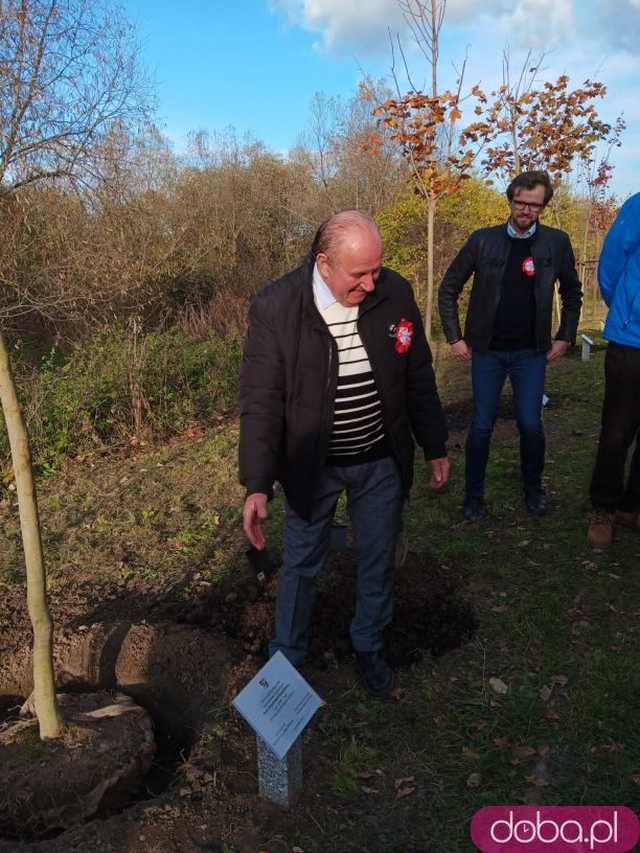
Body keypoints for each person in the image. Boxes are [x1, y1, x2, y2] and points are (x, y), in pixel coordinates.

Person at [239, 210, 449, 697]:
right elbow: (260, 401)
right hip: (313, 465)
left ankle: (368, 644)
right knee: (301, 560)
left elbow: (417, 373)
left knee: (377, 555)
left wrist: (434, 444)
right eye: (359, 275)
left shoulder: (394, 292)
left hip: (380, 459)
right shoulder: (279, 306)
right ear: (324, 263)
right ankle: (287, 656)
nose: (372, 284)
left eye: (377, 270)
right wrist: (256, 483)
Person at [438, 170, 582, 520]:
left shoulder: (556, 242)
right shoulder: (482, 240)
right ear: (510, 199)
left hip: (530, 353)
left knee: (531, 424)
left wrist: (565, 335)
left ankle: (533, 490)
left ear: (543, 206)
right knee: (482, 425)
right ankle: (473, 497)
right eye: (520, 202)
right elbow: (449, 288)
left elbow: (573, 292)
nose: (526, 210)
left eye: (534, 205)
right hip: (486, 351)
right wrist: (455, 337)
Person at [587, 193, 640, 548]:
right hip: (631, 339)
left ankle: (631, 506)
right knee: (618, 430)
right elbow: (610, 266)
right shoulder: (638, 206)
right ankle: (603, 508)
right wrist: (625, 308)